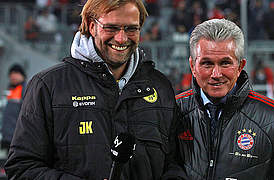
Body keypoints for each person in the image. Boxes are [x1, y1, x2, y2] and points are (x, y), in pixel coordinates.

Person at [4, 0, 187, 179]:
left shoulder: (160, 86)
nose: (121, 38)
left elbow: (175, 165)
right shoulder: (47, 86)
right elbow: (22, 167)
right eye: (111, 28)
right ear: (91, 26)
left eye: (131, 29)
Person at [175, 19, 274, 179]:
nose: (216, 74)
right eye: (207, 64)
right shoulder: (172, 111)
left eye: (225, 63)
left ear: (240, 66)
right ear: (193, 66)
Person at [1, 64, 26, 153]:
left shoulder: (25, 90)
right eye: (11, 74)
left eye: (16, 73)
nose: (13, 76)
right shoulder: (10, 89)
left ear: (22, 75)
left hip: (15, 137)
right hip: (6, 135)